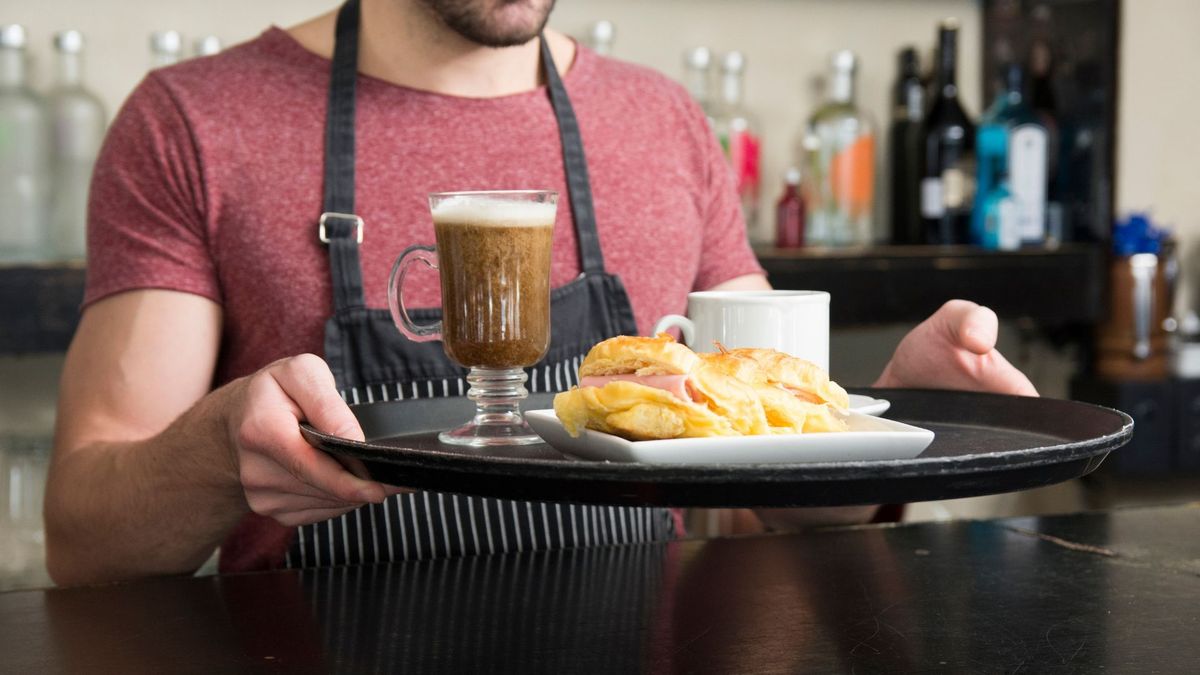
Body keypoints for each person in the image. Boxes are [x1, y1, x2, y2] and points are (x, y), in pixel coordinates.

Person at [44, 0, 1036, 585]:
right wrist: (214, 456)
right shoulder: (195, 122)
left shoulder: (664, 123)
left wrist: (877, 431)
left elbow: (774, 497)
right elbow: (86, 543)